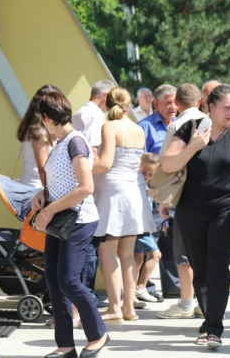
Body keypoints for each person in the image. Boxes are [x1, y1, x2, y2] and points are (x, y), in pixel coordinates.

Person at [161, 84, 230, 347]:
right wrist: (192, 147)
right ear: (209, 106)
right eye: (227, 107)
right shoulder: (190, 129)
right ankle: (209, 319)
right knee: (200, 267)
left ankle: (213, 326)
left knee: (218, 265)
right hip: (190, 212)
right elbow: (168, 164)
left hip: (227, 210)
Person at [32, 91, 108, 358]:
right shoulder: (61, 143)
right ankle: (65, 346)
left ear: (46, 117)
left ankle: (98, 333)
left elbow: (86, 187)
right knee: (54, 280)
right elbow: (61, 181)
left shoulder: (75, 141)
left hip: (77, 220)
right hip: (61, 219)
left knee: (68, 280)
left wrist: (49, 210)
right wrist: (42, 193)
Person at [92, 86, 156, 323]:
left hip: (113, 192)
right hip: (134, 191)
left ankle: (114, 307)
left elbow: (106, 164)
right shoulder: (138, 128)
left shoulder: (109, 126)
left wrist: (80, 166)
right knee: (128, 254)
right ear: (129, 105)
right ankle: (129, 308)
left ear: (107, 104)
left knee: (107, 251)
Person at [156, 83, 208, 319]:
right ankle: (202, 299)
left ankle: (187, 302)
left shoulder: (177, 125)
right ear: (200, 102)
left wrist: (163, 199)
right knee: (204, 252)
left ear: (176, 103)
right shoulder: (209, 122)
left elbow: (166, 163)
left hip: (182, 194)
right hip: (207, 195)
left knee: (184, 254)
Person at [72, 79, 116, 310]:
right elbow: (93, 156)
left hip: (80, 188)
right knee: (90, 245)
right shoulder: (97, 118)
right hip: (91, 189)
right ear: (105, 96)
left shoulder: (80, 113)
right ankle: (86, 296)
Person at [139, 84, 180, 298]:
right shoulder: (144, 127)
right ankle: (144, 287)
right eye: (168, 103)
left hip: (175, 193)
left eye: (175, 102)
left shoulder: (182, 126)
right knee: (149, 241)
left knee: (172, 240)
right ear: (156, 104)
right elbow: (139, 163)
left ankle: (173, 288)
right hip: (152, 194)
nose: (173, 107)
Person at [17, 85, 60, 188]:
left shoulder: (35, 129)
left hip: (31, 187)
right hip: (35, 191)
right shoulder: (39, 133)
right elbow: (43, 169)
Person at [134, 153, 162, 303]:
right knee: (155, 255)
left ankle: (134, 291)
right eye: (144, 172)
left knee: (138, 260)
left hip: (144, 226)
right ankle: (141, 287)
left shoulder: (150, 185)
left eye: (151, 174)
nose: (146, 176)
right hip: (139, 226)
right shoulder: (137, 185)